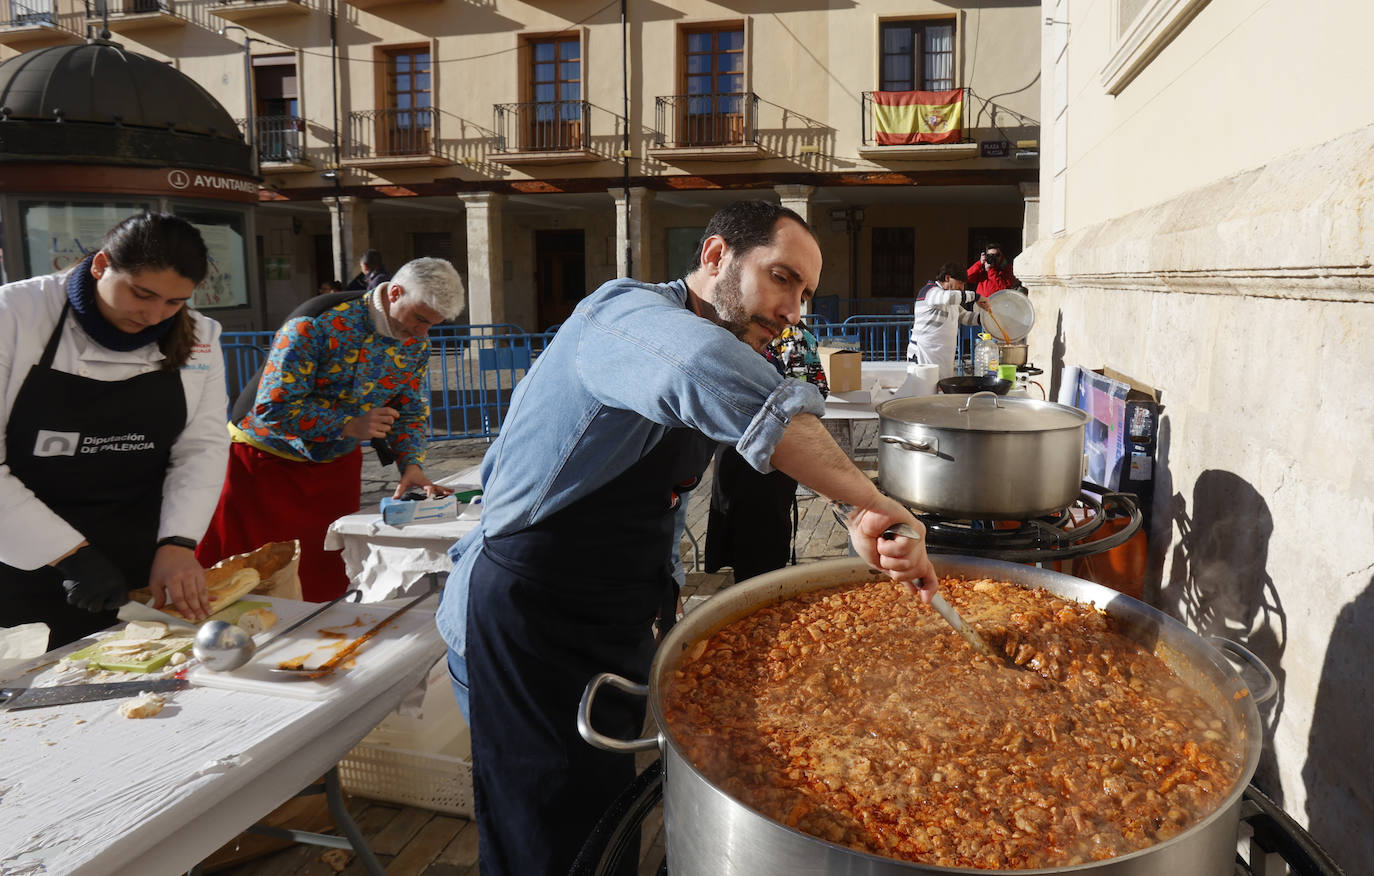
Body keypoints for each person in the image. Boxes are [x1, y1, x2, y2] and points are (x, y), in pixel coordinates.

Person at [436, 200, 938, 876]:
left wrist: (853, 517)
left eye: (806, 293)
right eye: (782, 278)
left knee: (604, 821)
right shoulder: (628, 317)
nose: (795, 309)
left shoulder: (726, 341)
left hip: (609, 615)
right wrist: (877, 501)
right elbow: (728, 386)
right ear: (714, 257)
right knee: (547, 842)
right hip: (527, 620)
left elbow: (741, 435)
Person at [0, 212, 229, 647]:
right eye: (141, 294)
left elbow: (201, 447)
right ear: (102, 265)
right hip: (17, 554)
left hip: (139, 554)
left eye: (174, 303)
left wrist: (178, 543)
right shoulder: (12, 315)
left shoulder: (200, 336)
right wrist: (69, 555)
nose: (153, 315)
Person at [196, 257, 464, 601]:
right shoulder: (317, 323)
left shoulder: (416, 342)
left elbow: (408, 408)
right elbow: (271, 407)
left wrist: (411, 465)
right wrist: (348, 424)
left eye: (433, 325)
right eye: (420, 319)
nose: (422, 332)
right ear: (395, 293)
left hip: (335, 468)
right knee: (248, 580)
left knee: (325, 580)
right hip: (264, 466)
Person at [705, 321, 829, 582]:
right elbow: (812, 395)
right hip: (769, 452)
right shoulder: (793, 335)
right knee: (761, 549)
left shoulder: (726, 333)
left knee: (747, 542)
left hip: (736, 448)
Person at [907, 261, 992, 380]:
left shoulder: (950, 300)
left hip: (942, 358)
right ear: (947, 278)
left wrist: (986, 319)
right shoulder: (930, 292)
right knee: (925, 394)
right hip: (924, 355)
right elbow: (948, 298)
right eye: (960, 283)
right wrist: (976, 296)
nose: (962, 288)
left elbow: (966, 317)